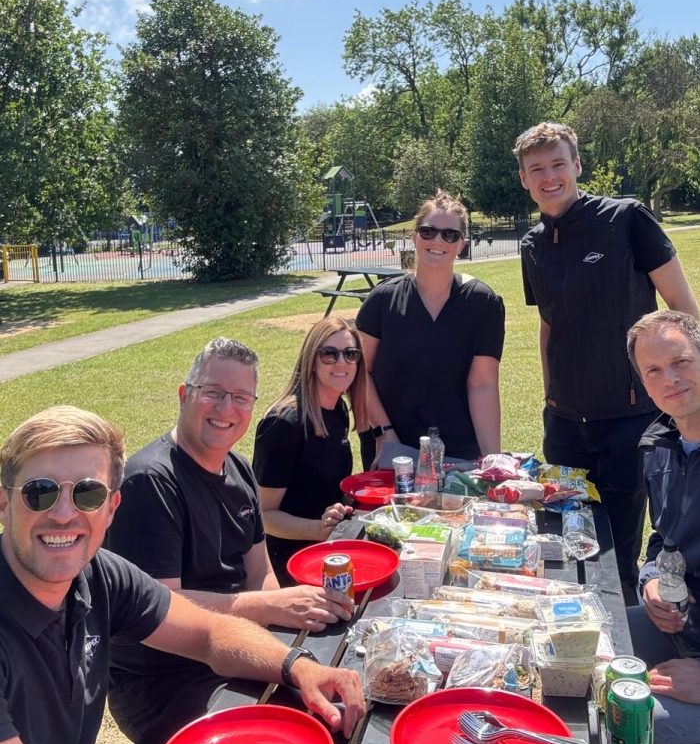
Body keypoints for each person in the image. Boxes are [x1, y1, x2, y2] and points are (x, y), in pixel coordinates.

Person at [0, 405, 365, 744]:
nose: (64, 514)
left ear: (111, 508)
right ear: (4, 503)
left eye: (88, 494)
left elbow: (209, 633)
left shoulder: (99, 575)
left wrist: (298, 667)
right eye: (40, 492)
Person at [107, 337, 355, 744]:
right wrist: (274, 607)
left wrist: (285, 624)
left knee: (341, 702)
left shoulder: (238, 468)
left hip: (236, 648)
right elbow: (162, 607)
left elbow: (260, 571)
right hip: (166, 680)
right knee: (288, 742)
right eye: (213, 392)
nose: (226, 409)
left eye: (240, 397)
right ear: (184, 395)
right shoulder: (149, 482)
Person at [515, 122, 698, 596]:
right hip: (564, 426)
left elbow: (682, 307)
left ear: (577, 165)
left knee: (617, 554)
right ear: (524, 178)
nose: (549, 177)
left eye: (558, 164)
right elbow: (548, 324)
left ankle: (621, 635)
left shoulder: (626, 219)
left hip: (628, 418)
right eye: (537, 169)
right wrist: (551, 395)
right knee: (565, 547)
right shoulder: (532, 245)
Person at [356, 189, 505, 467]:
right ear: (414, 237)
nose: (438, 240)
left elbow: (482, 385)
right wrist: (384, 432)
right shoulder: (382, 299)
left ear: (461, 245)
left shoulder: (483, 302)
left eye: (450, 235)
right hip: (392, 447)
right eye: (428, 231)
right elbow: (359, 371)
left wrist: (492, 460)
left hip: (459, 451)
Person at [626, 311, 700, 744]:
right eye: (653, 370)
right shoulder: (659, 444)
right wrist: (651, 580)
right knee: (582, 644)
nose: (669, 379)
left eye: (681, 362)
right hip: (680, 629)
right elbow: (662, 540)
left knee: (614, 720)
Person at [253, 316, 369, 583]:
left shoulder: (338, 409)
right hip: (288, 564)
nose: (341, 363)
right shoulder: (283, 423)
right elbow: (263, 516)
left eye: (350, 354)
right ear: (311, 361)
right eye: (329, 354)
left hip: (330, 552)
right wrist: (319, 529)